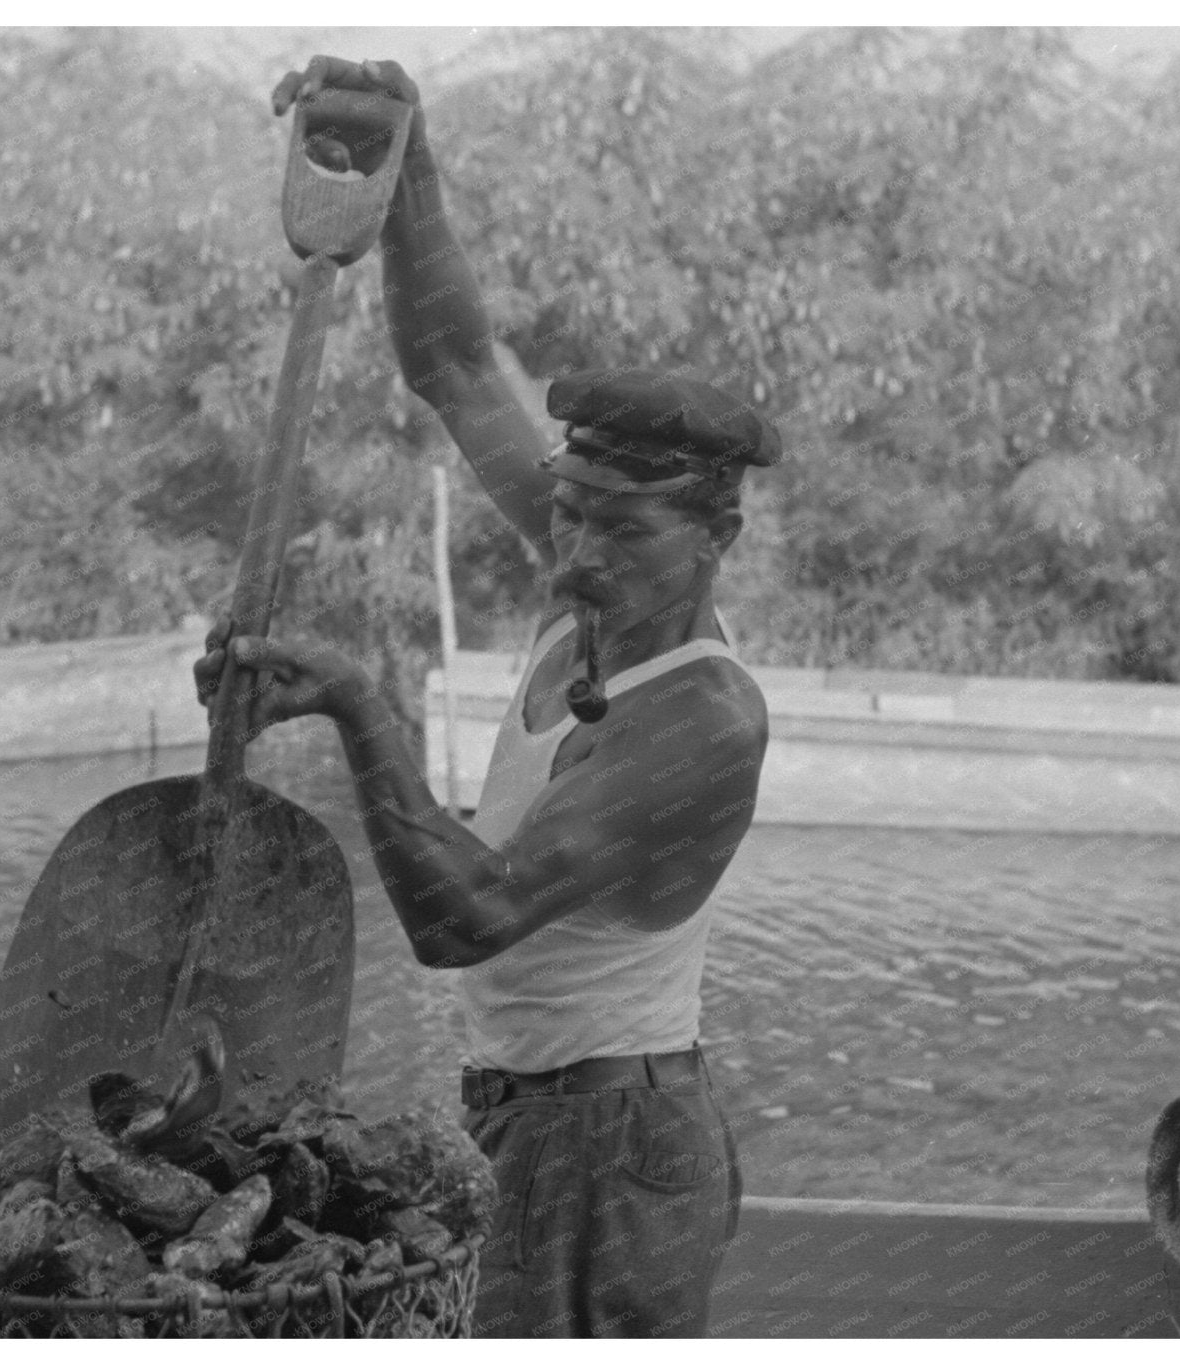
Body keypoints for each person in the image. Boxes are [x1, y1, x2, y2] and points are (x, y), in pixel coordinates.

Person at [194, 56, 780, 1338]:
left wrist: (359, 711)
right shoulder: (593, 584)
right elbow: (458, 367)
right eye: (564, 514)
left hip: (609, 1136)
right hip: (528, 1103)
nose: (572, 555)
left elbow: (467, 917)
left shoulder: (701, 719)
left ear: (709, 540)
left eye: (618, 531)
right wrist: (412, 165)